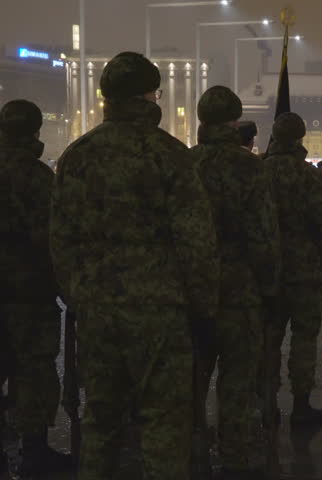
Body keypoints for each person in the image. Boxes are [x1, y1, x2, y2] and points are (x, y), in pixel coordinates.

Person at [50, 52, 221, 479]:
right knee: (164, 425)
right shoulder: (171, 155)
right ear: (150, 95)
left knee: (100, 423)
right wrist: (203, 309)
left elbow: (59, 239)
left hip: (98, 308)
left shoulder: (76, 156)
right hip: (161, 311)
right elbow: (196, 242)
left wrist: (80, 292)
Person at [190, 86, 280, 477]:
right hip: (240, 291)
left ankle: (192, 448)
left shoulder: (183, 163)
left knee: (192, 375)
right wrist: (270, 284)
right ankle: (234, 455)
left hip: (192, 291)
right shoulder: (250, 167)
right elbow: (263, 234)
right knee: (238, 378)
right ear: (236, 120)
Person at [0, 100, 74, 475]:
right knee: (33, 370)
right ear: (34, 131)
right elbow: (51, 239)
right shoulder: (37, 177)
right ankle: (33, 450)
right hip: (29, 293)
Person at [265, 112, 322, 424]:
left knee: (268, 339)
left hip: (267, 268)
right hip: (305, 271)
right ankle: (300, 404)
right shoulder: (310, 175)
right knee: (305, 337)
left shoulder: (257, 172)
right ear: (300, 138)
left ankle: (266, 403)